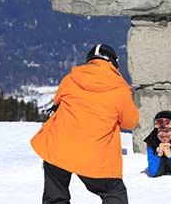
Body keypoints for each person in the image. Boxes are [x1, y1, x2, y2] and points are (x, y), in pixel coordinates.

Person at [30, 44, 139, 204]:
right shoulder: (119, 90)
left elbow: (57, 103)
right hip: (96, 154)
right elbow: (130, 122)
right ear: (114, 64)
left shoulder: (70, 79)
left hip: (58, 147)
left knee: (55, 196)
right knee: (113, 192)